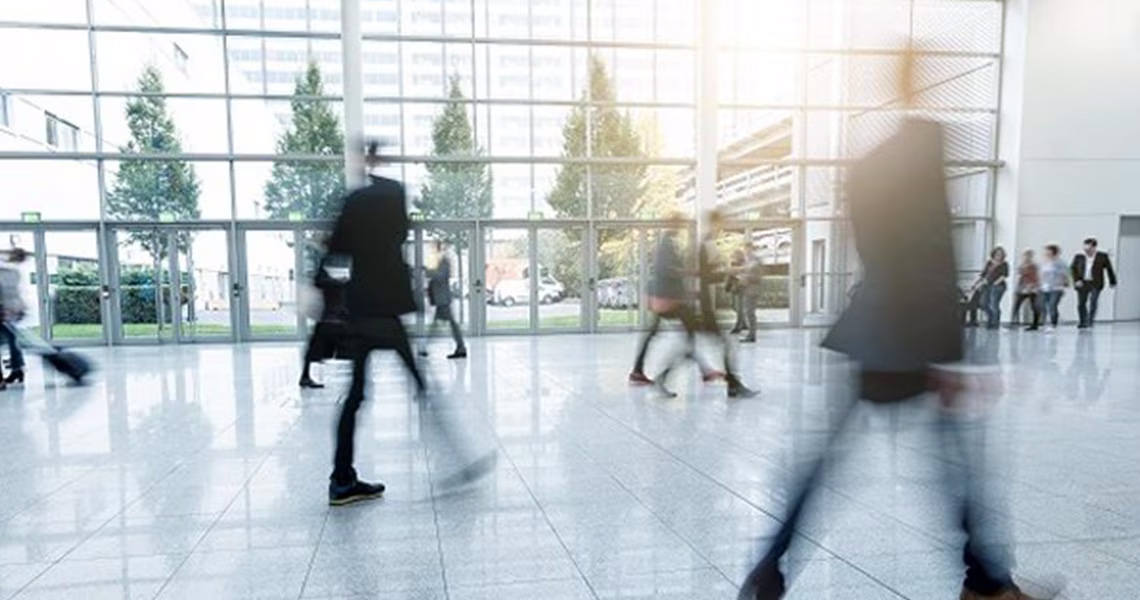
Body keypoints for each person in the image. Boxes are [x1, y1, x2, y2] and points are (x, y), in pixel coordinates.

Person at [737, 49, 1055, 600]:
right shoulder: (922, 147)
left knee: (836, 461)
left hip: (874, 331)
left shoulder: (869, 164)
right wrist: (938, 355)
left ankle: (767, 571)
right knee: (955, 466)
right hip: (906, 336)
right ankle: (986, 584)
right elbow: (928, 253)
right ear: (920, 82)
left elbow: (883, 254)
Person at [325, 140, 427, 506]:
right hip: (386, 309)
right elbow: (399, 230)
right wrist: (375, 169)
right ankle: (456, 461)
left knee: (354, 397)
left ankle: (342, 480)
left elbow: (334, 249)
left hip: (360, 308)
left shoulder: (353, 203)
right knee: (420, 384)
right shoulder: (392, 195)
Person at [628, 221, 707, 398]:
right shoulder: (666, 244)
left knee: (657, 333)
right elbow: (668, 271)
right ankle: (666, 376)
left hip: (665, 296)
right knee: (689, 333)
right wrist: (689, 273)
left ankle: (638, 371)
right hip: (669, 298)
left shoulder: (665, 243)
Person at [696, 211, 757, 398]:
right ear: (714, 223)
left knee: (687, 349)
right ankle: (733, 385)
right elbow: (705, 276)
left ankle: (732, 384)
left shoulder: (706, 243)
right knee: (725, 345)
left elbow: (705, 273)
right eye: (720, 224)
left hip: (702, 304)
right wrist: (728, 271)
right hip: (704, 305)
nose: (721, 229)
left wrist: (726, 270)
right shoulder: (706, 244)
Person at [299, 249, 349, 389]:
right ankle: (305, 377)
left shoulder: (328, 283)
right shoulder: (331, 284)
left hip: (329, 321)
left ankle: (305, 376)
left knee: (314, 350)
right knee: (316, 350)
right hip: (331, 322)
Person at [419, 241, 467, 359]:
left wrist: (428, 271)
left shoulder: (444, 260)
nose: (431, 250)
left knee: (447, 324)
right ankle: (460, 347)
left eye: (432, 247)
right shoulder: (438, 261)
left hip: (443, 298)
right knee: (442, 324)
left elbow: (441, 276)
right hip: (441, 298)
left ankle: (461, 348)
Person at [1069, 237, 1117, 329]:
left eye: (1089, 248)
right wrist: (1076, 280)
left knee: (1093, 301)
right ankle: (1083, 321)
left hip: (1096, 282)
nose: (1087, 250)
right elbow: (1072, 268)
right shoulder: (1079, 257)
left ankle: (1090, 321)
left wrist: (1112, 281)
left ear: (1094, 247)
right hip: (1082, 282)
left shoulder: (1102, 256)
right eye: (1085, 248)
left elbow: (1109, 269)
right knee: (1081, 303)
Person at [0, 248, 28, 390]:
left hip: (5, 310)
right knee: (13, 341)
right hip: (13, 309)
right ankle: (17, 371)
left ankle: (4, 378)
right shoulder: (15, 270)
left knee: (12, 341)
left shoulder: (7, 269)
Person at [975, 247, 1009, 330]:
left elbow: (1004, 276)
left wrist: (995, 283)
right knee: (983, 303)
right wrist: (978, 283)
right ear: (994, 254)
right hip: (986, 285)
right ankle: (990, 319)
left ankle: (995, 324)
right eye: (997, 254)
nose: (999, 256)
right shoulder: (989, 263)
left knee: (994, 304)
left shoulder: (1004, 264)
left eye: (1001, 254)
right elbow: (983, 274)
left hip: (998, 286)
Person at [737, 243, 764, 343]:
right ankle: (751, 333)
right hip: (748, 289)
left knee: (750, 313)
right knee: (748, 312)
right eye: (744, 250)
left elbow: (758, 277)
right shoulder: (748, 261)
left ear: (751, 249)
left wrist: (746, 278)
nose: (745, 252)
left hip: (753, 291)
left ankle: (752, 335)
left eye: (747, 249)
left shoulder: (756, 262)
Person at [1038, 244, 1069, 330]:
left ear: (1054, 253)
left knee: (1052, 305)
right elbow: (1040, 275)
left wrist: (1064, 283)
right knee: (1042, 305)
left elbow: (1065, 274)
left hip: (1056, 288)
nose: (1047, 254)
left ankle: (1053, 323)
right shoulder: (1043, 263)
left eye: (1049, 252)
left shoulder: (1060, 263)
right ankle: (1043, 322)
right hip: (1044, 287)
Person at [1011, 249, 1041, 331]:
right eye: (1025, 256)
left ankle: (1035, 324)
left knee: (1034, 306)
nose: (1026, 257)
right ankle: (1014, 322)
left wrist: (1032, 286)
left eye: (1028, 256)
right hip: (1022, 288)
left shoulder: (1033, 266)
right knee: (1016, 305)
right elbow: (1020, 276)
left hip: (1031, 288)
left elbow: (1035, 278)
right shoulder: (1022, 265)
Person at [727, 248, 747, 335]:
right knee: (734, 306)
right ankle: (744, 323)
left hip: (741, 287)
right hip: (734, 287)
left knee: (739, 307)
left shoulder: (744, 264)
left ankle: (738, 325)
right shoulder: (732, 263)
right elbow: (730, 275)